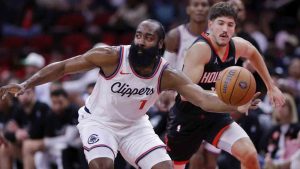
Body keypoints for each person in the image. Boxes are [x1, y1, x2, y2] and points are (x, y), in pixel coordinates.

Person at [0, 19, 260, 169]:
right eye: (138, 35)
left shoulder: (166, 73)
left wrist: (235, 104)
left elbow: (202, 98)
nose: (140, 41)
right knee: (102, 165)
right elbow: (64, 66)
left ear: (159, 44)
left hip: (135, 127)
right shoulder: (112, 56)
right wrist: (26, 84)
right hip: (98, 122)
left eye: (148, 38)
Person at [165, 2, 285, 169]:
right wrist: (234, 104)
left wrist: (271, 86)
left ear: (235, 27)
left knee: (249, 155)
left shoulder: (237, 46)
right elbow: (188, 95)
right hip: (188, 118)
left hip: (215, 117)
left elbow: (253, 53)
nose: (225, 29)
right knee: (176, 165)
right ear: (210, 25)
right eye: (220, 23)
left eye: (230, 24)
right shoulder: (200, 49)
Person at [163, 1, 222, 169]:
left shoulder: (219, 35)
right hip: (185, 103)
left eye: (204, 5)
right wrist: (165, 93)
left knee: (210, 161)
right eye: (196, 4)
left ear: (209, 9)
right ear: (188, 9)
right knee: (194, 156)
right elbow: (166, 71)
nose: (200, 8)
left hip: (212, 100)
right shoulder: (176, 35)